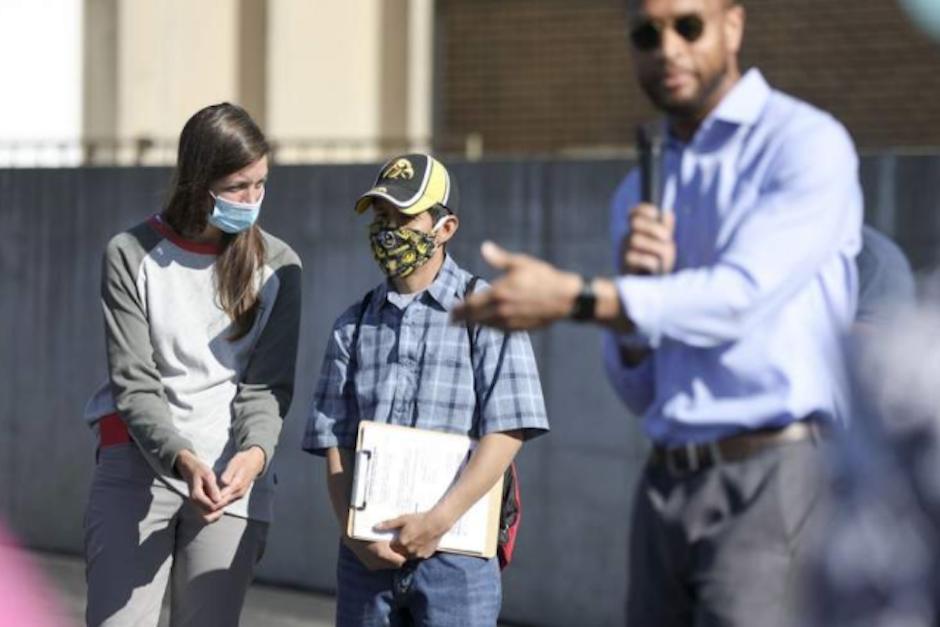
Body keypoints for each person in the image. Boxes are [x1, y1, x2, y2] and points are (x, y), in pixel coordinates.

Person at [453, 0, 863, 624]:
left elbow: (739, 297)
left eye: (688, 25)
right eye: (647, 33)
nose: (667, 48)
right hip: (666, 482)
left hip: (774, 474)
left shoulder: (802, 144)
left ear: (733, 24)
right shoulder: (640, 187)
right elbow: (643, 387)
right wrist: (635, 312)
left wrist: (582, 298)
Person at [302, 153, 549, 626]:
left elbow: (508, 431)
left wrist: (437, 522)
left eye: (404, 217)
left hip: (458, 557)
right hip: (367, 559)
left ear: (445, 227)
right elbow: (335, 441)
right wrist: (353, 536)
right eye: (381, 217)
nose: (388, 230)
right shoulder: (351, 325)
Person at [82, 103, 302, 626]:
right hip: (138, 465)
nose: (252, 200)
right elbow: (134, 383)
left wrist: (254, 454)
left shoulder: (279, 266)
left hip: (230, 479)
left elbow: (267, 388)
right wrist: (181, 458)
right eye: (237, 186)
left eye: (260, 184)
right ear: (196, 181)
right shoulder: (130, 253)